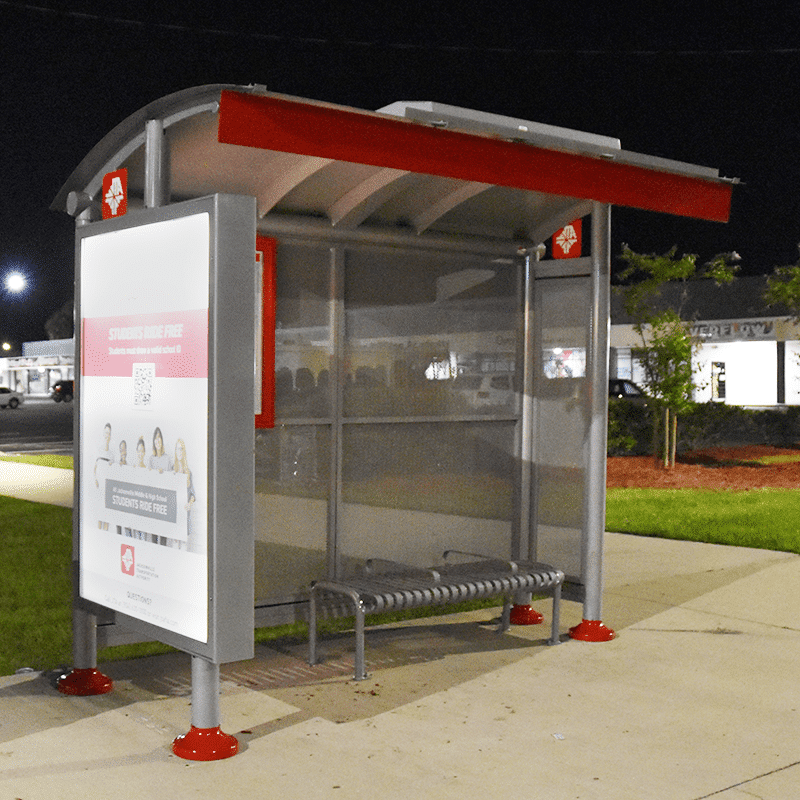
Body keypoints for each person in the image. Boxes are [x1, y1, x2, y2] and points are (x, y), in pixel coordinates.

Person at [171, 438, 196, 550]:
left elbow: (193, 495)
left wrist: (190, 503)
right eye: (177, 449)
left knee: (184, 547)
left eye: (181, 449)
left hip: (185, 515)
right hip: (175, 516)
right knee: (175, 545)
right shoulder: (172, 470)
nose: (179, 452)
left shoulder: (188, 472)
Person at [94, 422, 114, 530]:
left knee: (106, 511)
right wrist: (95, 479)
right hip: (100, 485)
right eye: (106, 433)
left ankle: (105, 531)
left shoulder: (111, 454)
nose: (107, 435)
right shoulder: (99, 450)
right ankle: (99, 531)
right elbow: (95, 467)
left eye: (109, 433)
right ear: (103, 434)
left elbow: (112, 471)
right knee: (99, 511)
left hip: (107, 487)